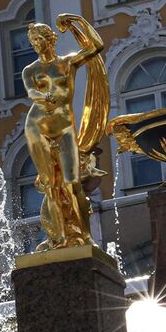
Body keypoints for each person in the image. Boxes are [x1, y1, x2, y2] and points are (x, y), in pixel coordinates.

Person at [22, 13, 106, 252]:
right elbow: (31, 92)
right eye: (32, 41)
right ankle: (59, 239)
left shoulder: (67, 63)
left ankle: (85, 237)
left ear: (50, 39)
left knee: (72, 183)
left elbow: (96, 46)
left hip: (64, 126)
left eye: (39, 39)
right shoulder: (30, 70)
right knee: (51, 184)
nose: (36, 44)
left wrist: (75, 21)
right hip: (37, 126)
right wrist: (42, 97)